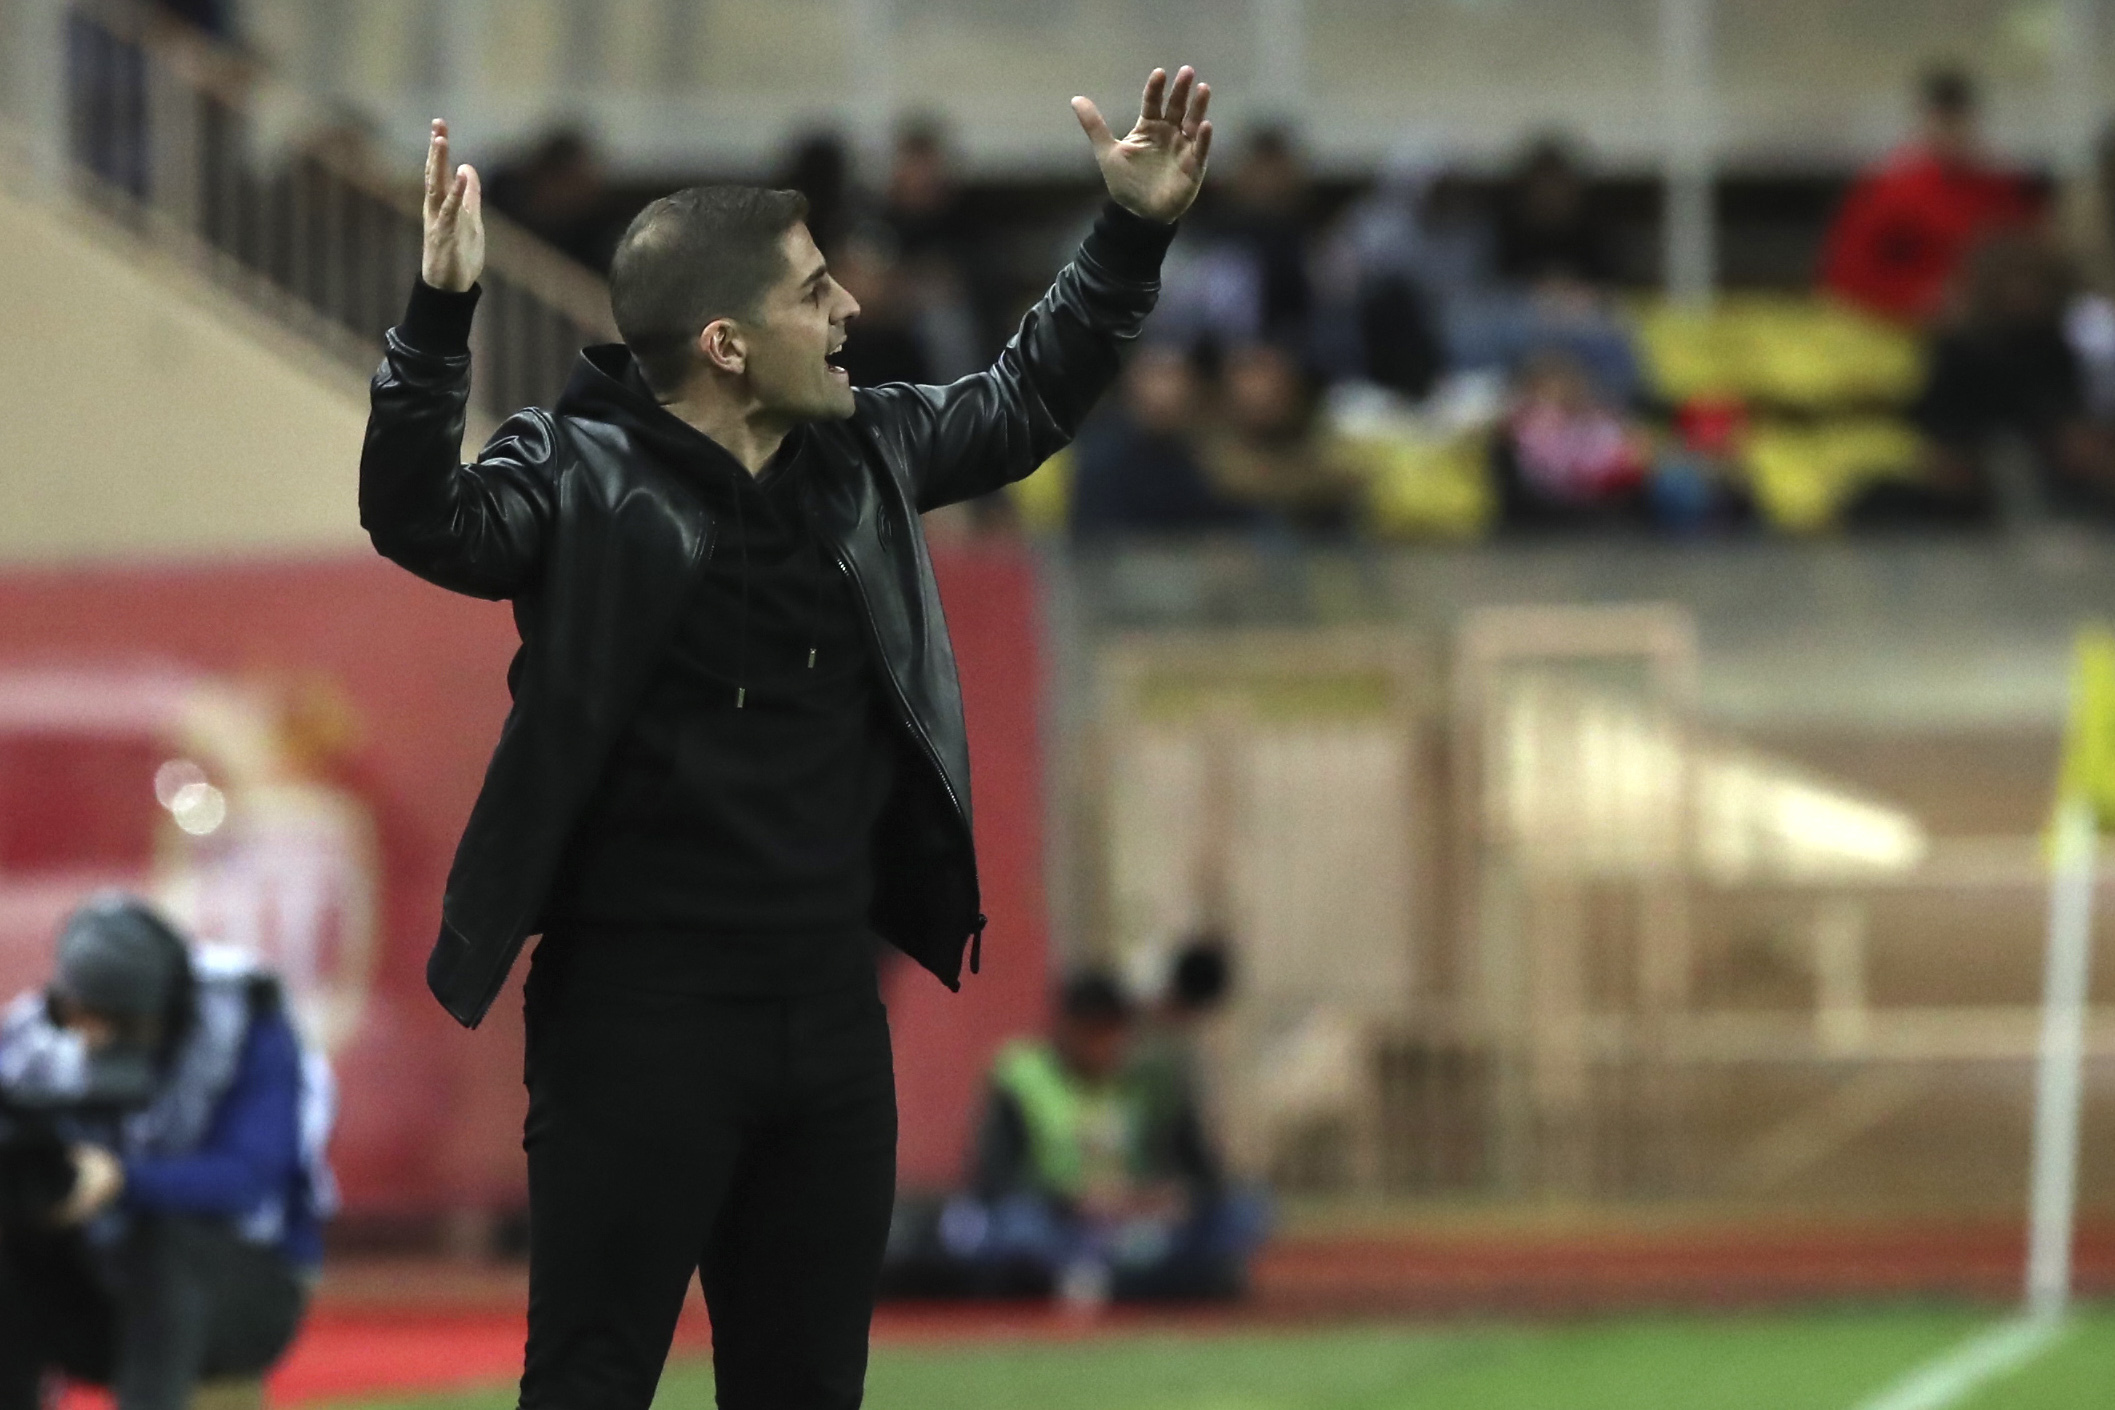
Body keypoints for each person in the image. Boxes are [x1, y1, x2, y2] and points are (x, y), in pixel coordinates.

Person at [358, 63, 1213, 1410]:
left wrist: (1128, 230)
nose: (848, 309)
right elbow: (421, 520)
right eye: (814, 291)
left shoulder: (868, 452)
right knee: (588, 1381)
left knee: (807, 1390)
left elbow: (1025, 402)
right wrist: (437, 315)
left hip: (826, 1016)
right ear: (724, 342)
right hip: (633, 1021)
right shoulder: (572, 475)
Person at [0, 895, 332, 1410]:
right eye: (83, 1017)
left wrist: (117, 1181)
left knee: (164, 1240)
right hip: (99, 1295)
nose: (96, 1037)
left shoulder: (248, 1021)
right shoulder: (30, 1039)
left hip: (241, 1293)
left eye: (118, 1022)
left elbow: (249, 1178)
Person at [947, 971, 1263, 1305]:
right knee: (1011, 1225)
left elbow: (1202, 1173)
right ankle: (1119, 1282)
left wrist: (1169, 1197)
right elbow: (994, 1177)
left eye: (1116, 1031)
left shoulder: (1155, 1081)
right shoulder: (1021, 1075)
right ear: (1067, 1027)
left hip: (1140, 1226)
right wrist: (1071, 1201)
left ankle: (1117, 1282)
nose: (1107, 1043)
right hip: (1059, 1225)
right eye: (1094, 1031)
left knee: (1243, 1209)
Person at [1820, 66, 2035, 324]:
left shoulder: (1998, 188)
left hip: (1989, 330)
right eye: (1945, 122)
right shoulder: (1889, 190)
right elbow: (1847, 273)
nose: (1954, 133)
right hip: (1904, 325)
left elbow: (2023, 258)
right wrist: (1919, 298)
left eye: (1960, 121)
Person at [1069, 344, 1254, 539]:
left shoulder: (1189, 454)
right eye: (1157, 378)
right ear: (1132, 386)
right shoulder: (1103, 457)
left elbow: (1221, 515)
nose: (1165, 392)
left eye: (1175, 379)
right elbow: (1094, 541)